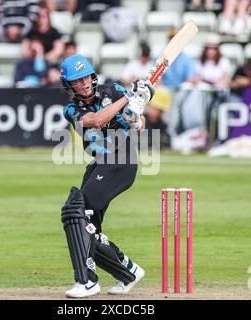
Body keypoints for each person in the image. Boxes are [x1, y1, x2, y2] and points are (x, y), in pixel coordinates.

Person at [60, 54, 154, 298]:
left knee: (76, 211)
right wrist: (129, 97)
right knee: (88, 226)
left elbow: (139, 123)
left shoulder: (113, 90)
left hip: (121, 160)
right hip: (99, 163)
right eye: (76, 81)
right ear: (69, 85)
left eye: (85, 78)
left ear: (92, 75)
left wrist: (135, 117)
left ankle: (87, 281)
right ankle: (128, 272)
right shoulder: (72, 109)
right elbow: (98, 119)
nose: (83, 83)